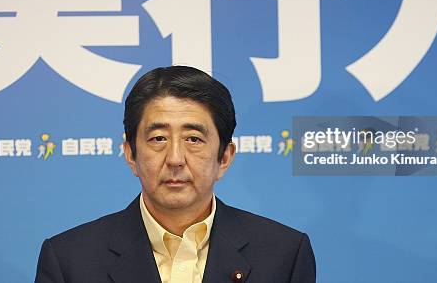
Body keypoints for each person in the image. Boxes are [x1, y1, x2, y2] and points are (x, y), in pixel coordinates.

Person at [35, 66, 316, 283]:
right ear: (130, 154)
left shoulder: (284, 254)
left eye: (193, 139)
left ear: (225, 157)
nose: (175, 159)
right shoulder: (70, 260)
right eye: (158, 139)